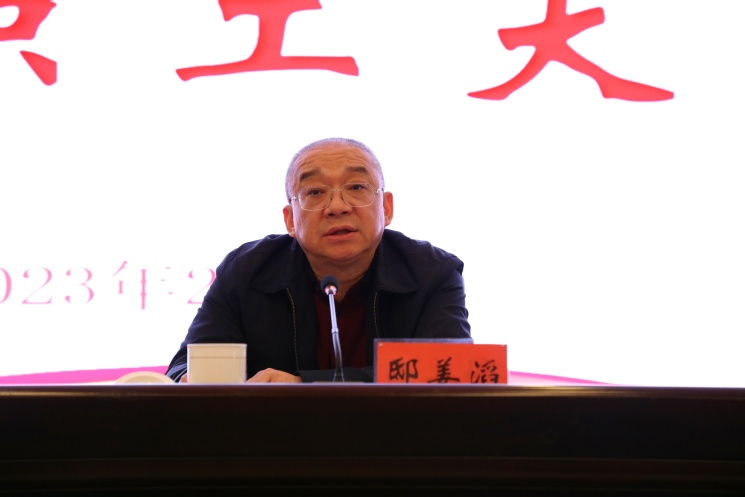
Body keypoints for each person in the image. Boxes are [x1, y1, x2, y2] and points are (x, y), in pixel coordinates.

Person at [165, 137, 471, 383]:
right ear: (290, 220)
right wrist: (190, 380)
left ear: (386, 208)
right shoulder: (247, 271)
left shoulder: (432, 273)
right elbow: (183, 367)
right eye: (314, 192)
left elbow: (451, 371)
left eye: (356, 187)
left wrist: (302, 385)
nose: (337, 206)